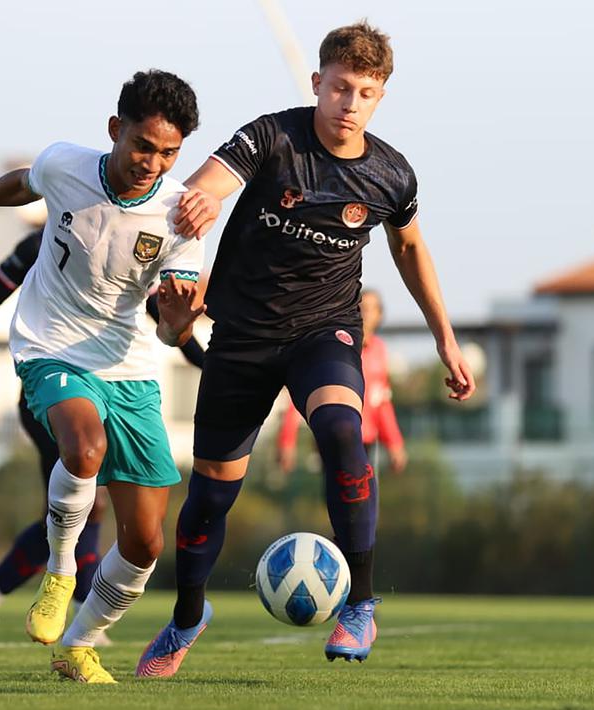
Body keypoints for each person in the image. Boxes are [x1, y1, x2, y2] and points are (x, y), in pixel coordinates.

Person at [136, 21, 474, 676]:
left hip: (325, 331)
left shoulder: (389, 174)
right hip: (241, 337)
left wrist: (444, 338)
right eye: (340, 87)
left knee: (345, 432)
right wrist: (198, 203)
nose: (350, 103)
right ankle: (185, 619)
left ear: (379, 98)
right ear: (317, 83)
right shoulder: (272, 137)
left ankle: (361, 604)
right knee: (209, 496)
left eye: (366, 93)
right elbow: (205, 184)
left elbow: (409, 248)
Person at [0, 70, 203, 683]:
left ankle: (80, 644)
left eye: (167, 153)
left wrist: (181, 328)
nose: (151, 163)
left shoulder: (180, 214)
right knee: (84, 448)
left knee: (146, 544)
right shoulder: (66, 165)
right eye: (142, 145)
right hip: (48, 345)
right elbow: (21, 184)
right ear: (115, 130)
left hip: (129, 366)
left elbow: (169, 324)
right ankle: (59, 571)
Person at [0, 227, 206, 646]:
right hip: (52, 390)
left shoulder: (116, 249)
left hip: (107, 387)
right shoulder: (37, 245)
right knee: (87, 501)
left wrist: (210, 365)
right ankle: (73, 605)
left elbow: (155, 312)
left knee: (66, 513)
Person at [276, 289, 406, 475]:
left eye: (371, 309)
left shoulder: (379, 350)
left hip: (367, 437)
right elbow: (295, 397)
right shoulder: (335, 346)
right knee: (345, 492)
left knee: (363, 492)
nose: (366, 314)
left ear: (380, 315)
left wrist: (394, 442)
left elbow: (382, 400)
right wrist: (287, 440)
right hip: (336, 430)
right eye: (361, 308)